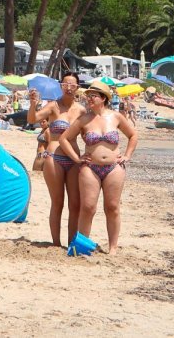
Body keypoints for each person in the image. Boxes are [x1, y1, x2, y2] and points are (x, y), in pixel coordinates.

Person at [58, 80, 138, 254]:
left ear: (103, 98)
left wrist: (127, 155)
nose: (89, 99)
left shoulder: (116, 117)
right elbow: (64, 139)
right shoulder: (84, 119)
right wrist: (76, 158)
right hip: (90, 168)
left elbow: (133, 135)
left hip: (113, 168)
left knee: (112, 207)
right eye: (88, 96)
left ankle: (113, 248)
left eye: (93, 96)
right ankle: (82, 246)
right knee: (88, 207)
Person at [28, 72, 86, 248]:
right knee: (58, 202)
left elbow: (89, 134)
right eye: (65, 84)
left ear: (77, 87)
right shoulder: (53, 106)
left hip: (74, 158)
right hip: (54, 157)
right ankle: (55, 243)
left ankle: (71, 243)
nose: (69, 87)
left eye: (72, 85)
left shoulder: (82, 110)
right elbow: (32, 119)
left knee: (75, 204)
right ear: (61, 86)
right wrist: (33, 104)